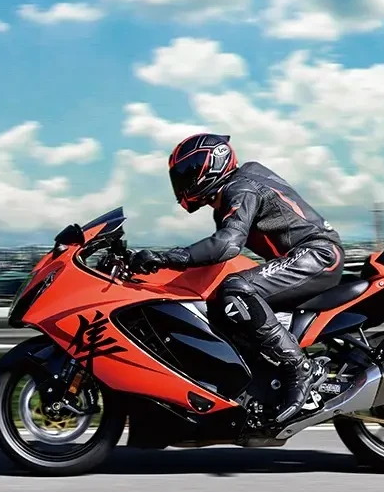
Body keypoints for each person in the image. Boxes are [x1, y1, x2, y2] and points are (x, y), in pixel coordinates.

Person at [129, 133, 344, 424]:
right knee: (221, 299)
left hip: (317, 255)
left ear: (210, 165)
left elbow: (226, 245)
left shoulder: (240, 186)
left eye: (187, 173)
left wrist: (166, 257)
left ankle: (298, 368)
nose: (182, 183)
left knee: (237, 289)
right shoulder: (234, 190)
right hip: (306, 257)